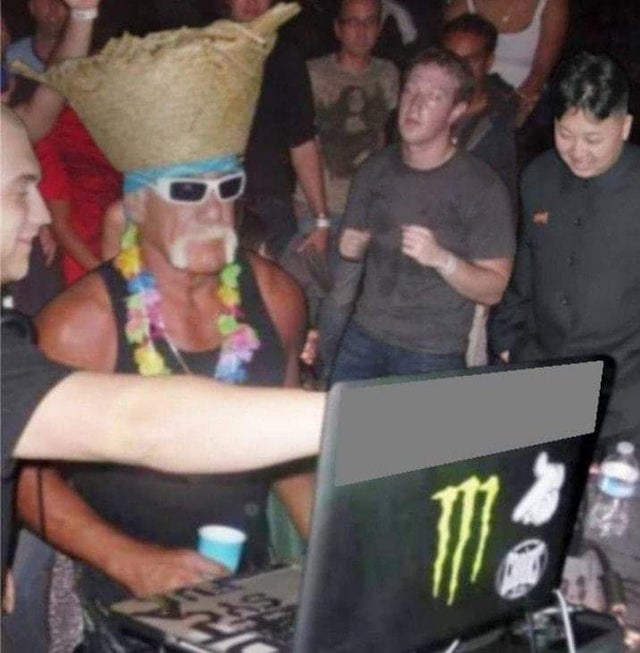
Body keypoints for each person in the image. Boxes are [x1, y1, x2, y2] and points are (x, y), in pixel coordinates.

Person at [1, 103, 325, 611]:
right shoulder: (78, 324)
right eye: (189, 192)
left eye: (229, 188)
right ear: (135, 205)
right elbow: (26, 477)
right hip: (121, 590)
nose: (216, 213)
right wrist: (132, 562)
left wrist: (330, 547)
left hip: (249, 578)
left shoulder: (278, 296)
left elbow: (287, 453)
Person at [489, 52, 640, 637]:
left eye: (593, 138)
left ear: (625, 126)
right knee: (540, 542)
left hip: (627, 402)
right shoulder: (539, 178)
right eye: (565, 133)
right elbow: (525, 274)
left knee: (615, 556)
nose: (577, 151)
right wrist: (508, 338)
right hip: (547, 392)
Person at [324, 47, 514, 383]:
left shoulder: (482, 186)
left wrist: (442, 259)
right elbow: (348, 260)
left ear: (456, 111)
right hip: (364, 333)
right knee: (340, 419)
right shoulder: (374, 170)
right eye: (410, 90)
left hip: (432, 351)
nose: (415, 105)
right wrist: (349, 248)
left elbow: (494, 289)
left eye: (433, 97)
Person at [227, 0, 330, 261]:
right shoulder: (204, 51)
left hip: (271, 201)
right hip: (216, 199)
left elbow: (302, 141)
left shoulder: (285, 56)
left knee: (281, 284)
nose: (252, 2)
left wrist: (321, 220)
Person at [444, 0, 568, 127]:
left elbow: (540, 72)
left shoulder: (552, 4)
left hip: (521, 95)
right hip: (470, 92)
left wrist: (512, 110)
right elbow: (445, 53)